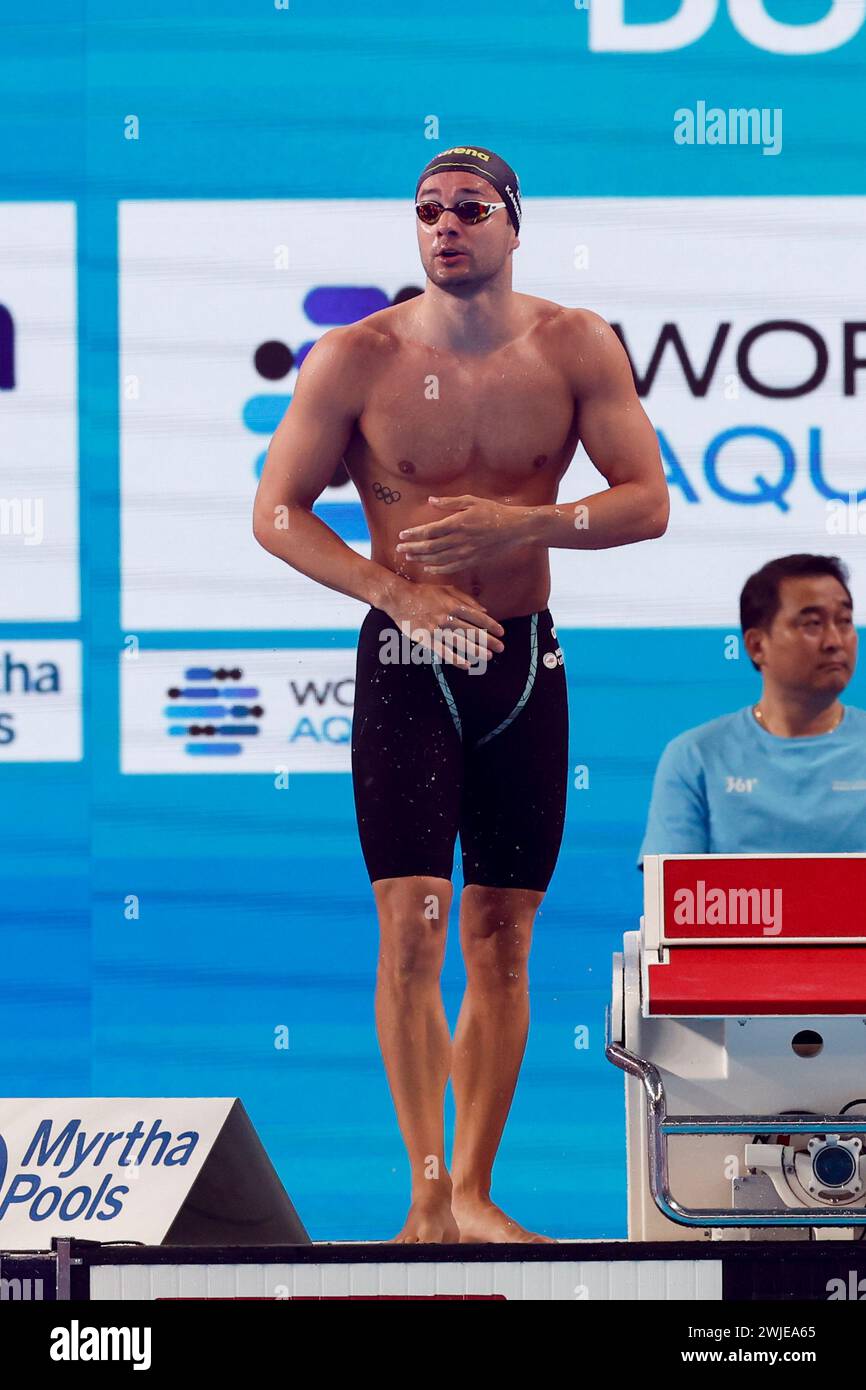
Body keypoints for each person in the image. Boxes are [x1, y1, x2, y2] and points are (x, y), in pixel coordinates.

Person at [254, 144, 668, 1243]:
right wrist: (391, 589)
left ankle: (476, 1191)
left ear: (513, 224)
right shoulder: (355, 358)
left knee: (499, 937)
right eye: (428, 210)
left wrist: (524, 524)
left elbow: (646, 502)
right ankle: (424, 1194)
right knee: (410, 930)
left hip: (523, 661)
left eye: (469, 209)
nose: (445, 226)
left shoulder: (574, 345)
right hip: (405, 664)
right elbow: (278, 512)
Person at [638, 554, 866, 868]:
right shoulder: (695, 757)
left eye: (844, 621)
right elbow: (670, 899)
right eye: (812, 623)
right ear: (757, 645)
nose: (835, 641)